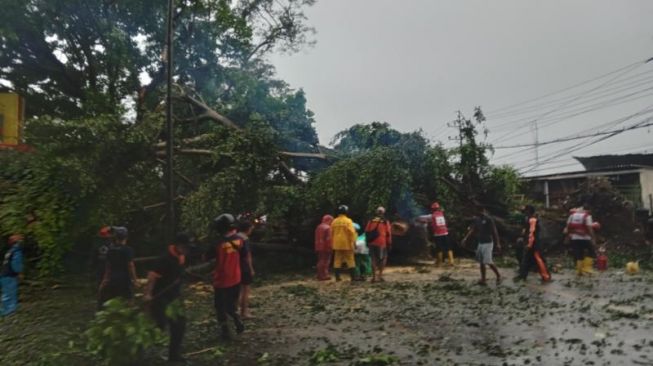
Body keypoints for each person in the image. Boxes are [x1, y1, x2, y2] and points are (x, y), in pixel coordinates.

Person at [144, 233, 189, 363]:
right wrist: (147, 294)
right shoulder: (164, 258)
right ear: (177, 245)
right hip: (160, 297)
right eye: (184, 247)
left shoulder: (181, 256)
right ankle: (142, 349)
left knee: (179, 325)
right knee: (160, 325)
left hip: (175, 296)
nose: (186, 249)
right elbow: (152, 276)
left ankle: (174, 356)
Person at [207, 213, 245, 340]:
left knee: (220, 307)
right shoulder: (239, 240)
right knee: (231, 304)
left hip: (222, 280)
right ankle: (236, 319)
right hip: (236, 277)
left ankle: (225, 331)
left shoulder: (217, 244)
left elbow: (209, 258)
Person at [98, 226, 138, 307]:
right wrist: (135, 280)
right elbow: (130, 265)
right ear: (126, 237)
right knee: (129, 301)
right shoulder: (128, 250)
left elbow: (108, 267)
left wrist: (104, 280)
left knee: (112, 302)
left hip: (112, 279)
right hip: (124, 280)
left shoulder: (110, 250)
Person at [463, 207, 502, 285]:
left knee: (488, 261)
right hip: (480, 242)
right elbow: (473, 229)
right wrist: (466, 238)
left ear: (484, 211)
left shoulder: (488, 219)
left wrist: (498, 243)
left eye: (481, 211)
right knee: (481, 262)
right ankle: (483, 279)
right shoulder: (477, 219)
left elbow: (494, 231)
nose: (480, 213)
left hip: (488, 242)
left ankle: (498, 275)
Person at [514, 205, 551, 283]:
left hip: (534, 243)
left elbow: (532, 233)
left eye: (526, 211)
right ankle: (523, 275)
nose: (524, 213)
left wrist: (529, 244)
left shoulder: (532, 220)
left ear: (529, 211)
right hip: (532, 242)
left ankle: (546, 276)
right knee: (526, 259)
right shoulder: (528, 219)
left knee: (538, 259)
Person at [564, 202, 597, 276]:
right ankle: (587, 268)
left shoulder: (572, 215)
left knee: (578, 254)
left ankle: (579, 271)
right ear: (589, 210)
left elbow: (568, 227)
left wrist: (567, 237)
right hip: (585, 238)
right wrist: (593, 239)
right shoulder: (587, 216)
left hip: (575, 238)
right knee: (592, 252)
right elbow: (589, 229)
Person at [365, 207, 392, 282]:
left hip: (372, 242)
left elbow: (366, 231)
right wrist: (389, 243)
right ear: (383, 213)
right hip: (381, 243)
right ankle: (380, 276)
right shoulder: (385, 221)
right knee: (383, 258)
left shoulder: (371, 220)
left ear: (377, 212)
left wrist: (367, 242)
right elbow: (388, 233)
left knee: (373, 259)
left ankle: (374, 277)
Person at [331, 205, 357, 282]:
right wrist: (354, 243)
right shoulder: (348, 221)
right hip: (347, 244)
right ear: (346, 212)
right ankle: (353, 277)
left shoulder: (334, 221)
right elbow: (352, 233)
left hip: (337, 244)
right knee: (350, 260)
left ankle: (337, 277)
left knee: (337, 260)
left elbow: (331, 233)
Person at [236, 219, 255, 319]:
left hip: (235, 266)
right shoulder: (244, 239)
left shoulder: (234, 237)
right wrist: (251, 268)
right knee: (245, 290)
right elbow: (247, 255)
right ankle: (244, 312)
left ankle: (236, 310)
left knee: (237, 290)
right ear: (248, 229)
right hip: (244, 266)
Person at [1, 234, 24, 317]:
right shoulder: (17, 251)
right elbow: (16, 263)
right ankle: (10, 311)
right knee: (11, 293)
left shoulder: (10, 251)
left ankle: (5, 310)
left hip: (4, 274)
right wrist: (19, 272)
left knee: (6, 293)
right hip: (10, 275)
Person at [314, 215, 333, 281]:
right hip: (325, 247)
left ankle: (319, 274)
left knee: (320, 260)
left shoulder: (318, 227)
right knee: (326, 261)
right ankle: (324, 275)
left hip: (318, 246)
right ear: (329, 220)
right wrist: (330, 247)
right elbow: (329, 239)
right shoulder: (328, 228)